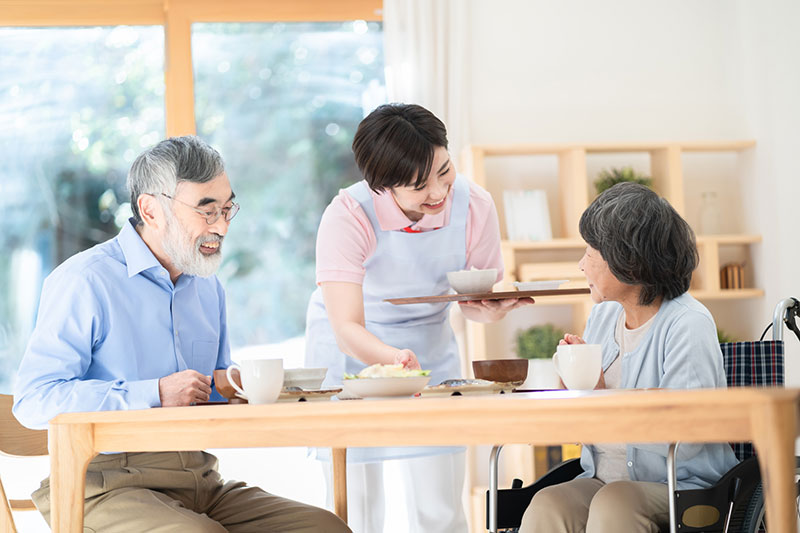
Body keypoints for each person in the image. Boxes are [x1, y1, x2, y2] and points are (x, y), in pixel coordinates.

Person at [13, 136, 350, 533]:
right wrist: (153, 392)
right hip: (102, 486)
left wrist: (231, 385)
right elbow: (34, 400)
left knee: (322, 527)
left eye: (227, 210)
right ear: (150, 210)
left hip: (199, 481)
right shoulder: (85, 281)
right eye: (206, 212)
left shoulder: (208, 287)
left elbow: (209, 388)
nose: (221, 226)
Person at [305, 103, 531, 533]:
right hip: (355, 351)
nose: (439, 192)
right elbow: (346, 325)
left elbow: (470, 303)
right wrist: (393, 360)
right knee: (356, 506)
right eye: (417, 185)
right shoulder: (348, 216)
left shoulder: (475, 205)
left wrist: (491, 309)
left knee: (440, 504)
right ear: (381, 186)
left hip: (428, 343)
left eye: (444, 170)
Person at [519, 182, 739, 533]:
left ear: (629, 260)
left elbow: (690, 436)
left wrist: (607, 400)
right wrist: (577, 392)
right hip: (603, 480)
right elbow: (590, 420)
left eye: (591, 251)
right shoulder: (604, 317)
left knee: (616, 502)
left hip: (685, 487)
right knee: (547, 504)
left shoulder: (688, 323)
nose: (581, 264)